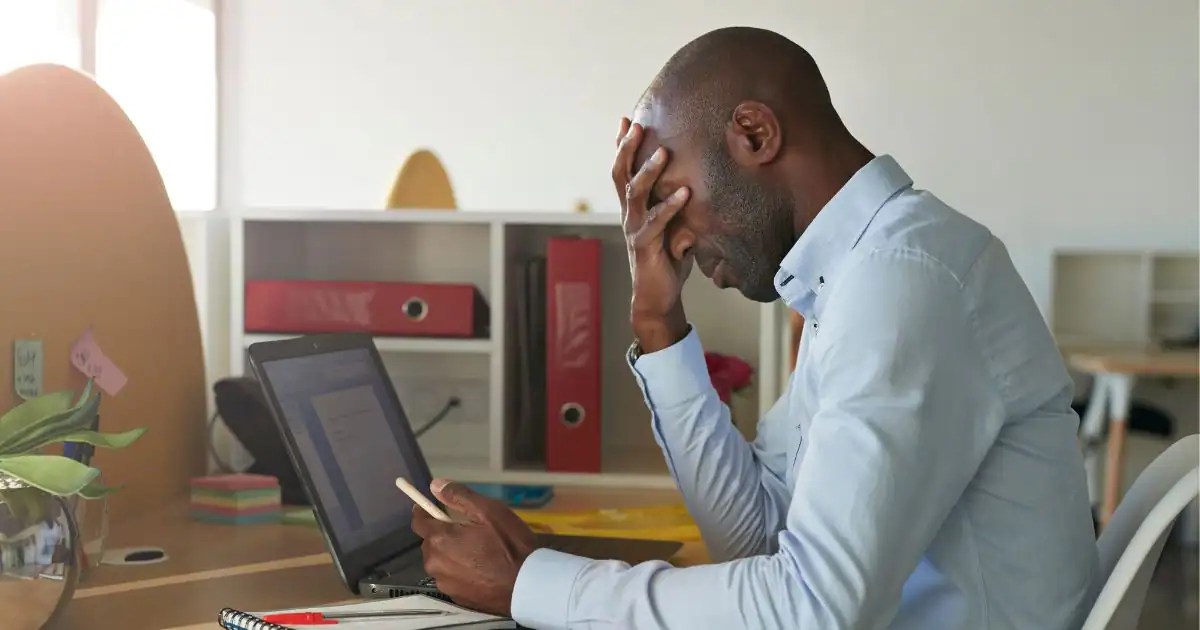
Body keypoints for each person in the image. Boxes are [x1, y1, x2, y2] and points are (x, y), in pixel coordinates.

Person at [412, 26, 1100, 629]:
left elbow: (811, 610)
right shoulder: (860, 278)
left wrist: (530, 586)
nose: (667, 238)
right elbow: (757, 540)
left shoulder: (903, 280)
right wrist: (658, 322)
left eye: (667, 194)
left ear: (754, 134)